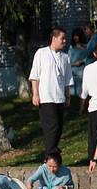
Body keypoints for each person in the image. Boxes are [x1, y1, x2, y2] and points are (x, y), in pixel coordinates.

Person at [29, 27, 72, 158]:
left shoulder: (65, 57)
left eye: (65, 38)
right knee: (51, 127)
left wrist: (68, 96)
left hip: (59, 97)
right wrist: (35, 94)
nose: (64, 41)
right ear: (54, 38)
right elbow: (34, 76)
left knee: (58, 127)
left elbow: (67, 79)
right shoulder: (41, 53)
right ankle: (49, 155)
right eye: (62, 38)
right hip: (46, 97)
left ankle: (53, 152)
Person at [68, 29, 87, 106]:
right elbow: (68, 57)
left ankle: (80, 104)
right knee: (72, 90)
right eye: (74, 36)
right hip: (72, 70)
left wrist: (81, 62)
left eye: (77, 36)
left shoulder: (84, 46)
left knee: (80, 90)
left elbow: (88, 56)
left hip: (81, 71)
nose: (76, 37)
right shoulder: (71, 47)